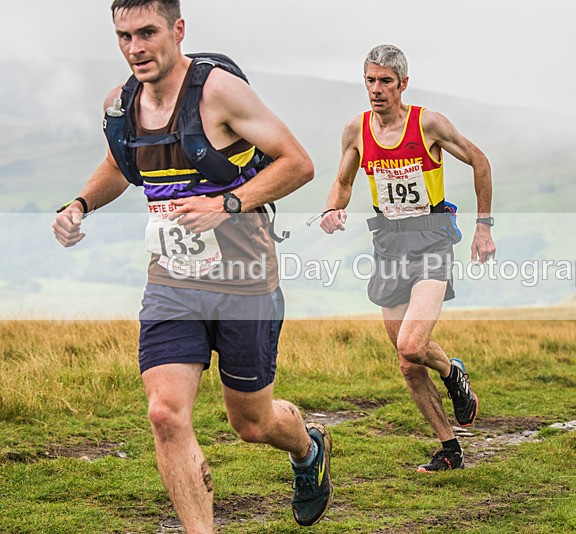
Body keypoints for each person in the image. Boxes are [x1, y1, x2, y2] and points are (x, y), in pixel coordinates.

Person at [51, 0, 332, 530]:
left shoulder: (218, 91)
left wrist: (226, 203)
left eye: (148, 32)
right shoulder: (120, 103)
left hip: (244, 282)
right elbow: (119, 164)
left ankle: (307, 449)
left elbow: (299, 163)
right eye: (124, 36)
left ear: (178, 30)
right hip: (171, 282)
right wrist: (80, 204)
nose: (136, 47)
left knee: (251, 422)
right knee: (164, 414)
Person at [320, 44, 496, 472]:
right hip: (388, 244)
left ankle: (453, 374)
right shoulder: (356, 130)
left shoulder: (427, 123)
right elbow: (343, 180)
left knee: (412, 343)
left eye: (385, 82)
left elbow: (479, 161)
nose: (376, 90)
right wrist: (332, 207)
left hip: (431, 240)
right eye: (370, 80)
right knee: (407, 361)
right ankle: (449, 446)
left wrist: (484, 225)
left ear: (403, 84)